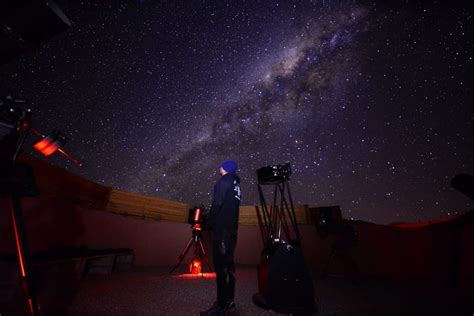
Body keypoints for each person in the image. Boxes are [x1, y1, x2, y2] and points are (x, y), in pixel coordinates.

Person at [201, 160, 241, 316]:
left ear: (225, 168)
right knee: (229, 267)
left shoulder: (223, 181)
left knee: (221, 268)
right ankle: (229, 301)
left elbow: (217, 203)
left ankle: (221, 305)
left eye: (221, 165)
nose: (219, 167)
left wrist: (209, 222)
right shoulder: (236, 185)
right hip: (232, 232)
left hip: (222, 232)